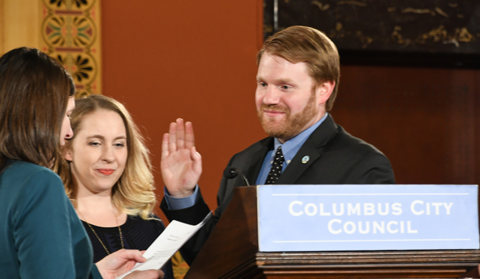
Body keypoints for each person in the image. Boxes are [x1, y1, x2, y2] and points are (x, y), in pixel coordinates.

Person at [160, 25, 395, 265]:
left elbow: (370, 266)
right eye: (263, 84)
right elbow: (212, 260)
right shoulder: (241, 164)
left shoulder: (362, 166)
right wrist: (183, 195)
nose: (269, 99)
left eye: (285, 86)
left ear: (323, 89)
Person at [0, 47, 163, 279]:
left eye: (119, 144)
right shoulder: (38, 183)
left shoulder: (8, 178)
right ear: (41, 115)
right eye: (66, 116)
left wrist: (96, 274)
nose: (68, 133)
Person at [58, 95, 174, 279]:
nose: (109, 156)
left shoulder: (150, 226)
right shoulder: (52, 225)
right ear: (67, 149)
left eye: (118, 144)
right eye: (95, 143)